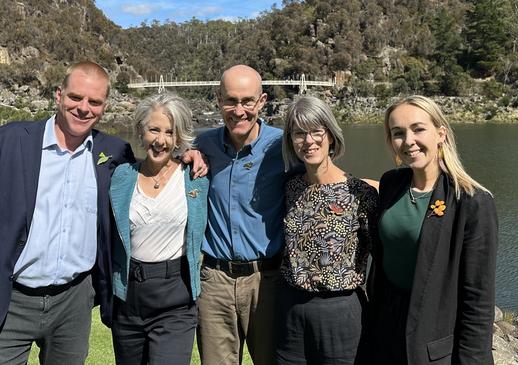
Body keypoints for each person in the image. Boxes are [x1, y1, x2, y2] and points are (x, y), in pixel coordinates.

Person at [0, 61, 136, 364]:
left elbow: (154, 171)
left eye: (94, 101)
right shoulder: (7, 141)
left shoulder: (113, 152)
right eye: (75, 97)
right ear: (59, 95)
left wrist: (187, 156)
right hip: (10, 297)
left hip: (74, 301)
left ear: (104, 106)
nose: (83, 108)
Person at [368, 95, 498, 364]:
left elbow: (478, 299)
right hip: (384, 332)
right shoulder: (392, 184)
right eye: (398, 133)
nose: (408, 141)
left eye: (418, 129)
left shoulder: (471, 202)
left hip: (432, 343)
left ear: (441, 134)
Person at [194, 64, 287, 364]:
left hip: (267, 282)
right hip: (215, 283)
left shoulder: (282, 146)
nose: (239, 110)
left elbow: (323, 172)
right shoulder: (204, 144)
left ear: (262, 101)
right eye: (230, 100)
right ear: (218, 100)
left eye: (248, 101)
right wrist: (186, 153)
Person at [107, 92, 209, 364]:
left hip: (176, 300)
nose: (161, 140)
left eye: (169, 132)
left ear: (179, 138)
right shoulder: (121, 177)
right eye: (154, 129)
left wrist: (194, 153)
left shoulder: (195, 178)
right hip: (128, 300)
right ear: (141, 131)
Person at [276, 96, 378, 364]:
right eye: (299, 133)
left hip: (340, 312)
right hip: (291, 311)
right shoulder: (290, 188)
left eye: (316, 131)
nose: (309, 141)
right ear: (290, 140)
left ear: (331, 136)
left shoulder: (360, 193)